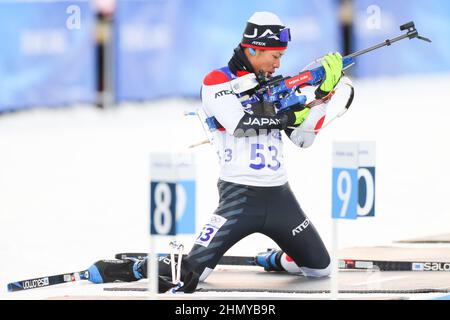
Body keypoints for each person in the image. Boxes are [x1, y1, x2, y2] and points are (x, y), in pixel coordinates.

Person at [89, 11, 343, 293]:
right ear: (253, 48)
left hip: (281, 197)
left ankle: (277, 258)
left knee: (321, 268)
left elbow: (303, 140)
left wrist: (323, 97)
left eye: (282, 56)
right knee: (188, 275)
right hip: (239, 199)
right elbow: (240, 125)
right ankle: (131, 268)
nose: (278, 63)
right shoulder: (217, 82)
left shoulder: (273, 86)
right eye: (274, 55)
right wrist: (287, 117)